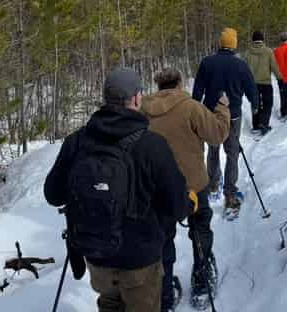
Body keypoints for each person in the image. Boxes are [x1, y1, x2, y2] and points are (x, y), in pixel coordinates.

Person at [44, 67, 196, 312]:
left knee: (109, 304)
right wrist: (190, 201)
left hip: (97, 257)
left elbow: (53, 194)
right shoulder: (151, 145)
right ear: (137, 99)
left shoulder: (77, 141)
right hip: (140, 262)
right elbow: (178, 206)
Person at [142, 69, 231, 311]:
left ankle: (165, 295)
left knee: (162, 239)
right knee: (200, 228)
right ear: (179, 84)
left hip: (156, 188)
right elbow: (218, 135)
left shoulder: (142, 110)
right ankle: (202, 282)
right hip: (193, 183)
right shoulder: (190, 107)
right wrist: (222, 106)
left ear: (158, 85)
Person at [192, 27, 258, 216]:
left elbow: (197, 91)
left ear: (220, 43)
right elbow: (251, 89)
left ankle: (213, 186)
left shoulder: (207, 62)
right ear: (234, 44)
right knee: (232, 152)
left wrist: (195, 110)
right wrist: (255, 105)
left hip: (210, 114)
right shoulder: (240, 65)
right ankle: (230, 194)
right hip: (233, 115)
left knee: (213, 149)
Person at [244, 30, 282, 135]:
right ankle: (264, 124)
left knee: (255, 104)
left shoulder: (248, 53)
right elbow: (274, 66)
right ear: (262, 40)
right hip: (266, 83)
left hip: (252, 84)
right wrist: (280, 78)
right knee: (267, 104)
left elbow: (244, 70)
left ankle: (256, 126)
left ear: (253, 40)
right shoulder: (268, 52)